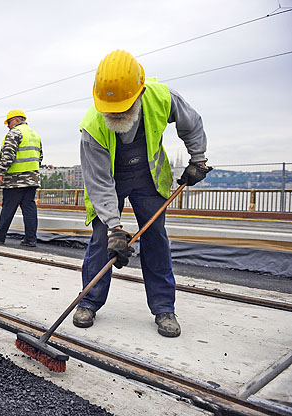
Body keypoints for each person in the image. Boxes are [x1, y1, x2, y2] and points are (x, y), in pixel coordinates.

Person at [74, 50, 212, 337]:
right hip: (111, 180)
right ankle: (88, 301)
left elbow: (192, 122)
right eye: (111, 109)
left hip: (149, 180)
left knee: (155, 239)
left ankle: (164, 307)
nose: (116, 113)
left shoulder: (161, 96)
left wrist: (197, 159)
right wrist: (115, 228)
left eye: (123, 107)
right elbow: (99, 183)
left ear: (139, 93)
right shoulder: (92, 127)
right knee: (102, 239)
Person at [0, 110, 43, 247]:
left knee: (8, 207)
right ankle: (30, 239)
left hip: (15, 179)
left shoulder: (15, 133)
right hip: (32, 178)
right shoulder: (34, 134)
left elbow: (8, 155)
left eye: (9, 122)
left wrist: (1, 173)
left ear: (17, 120)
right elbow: (40, 157)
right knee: (29, 208)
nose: (8, 126)